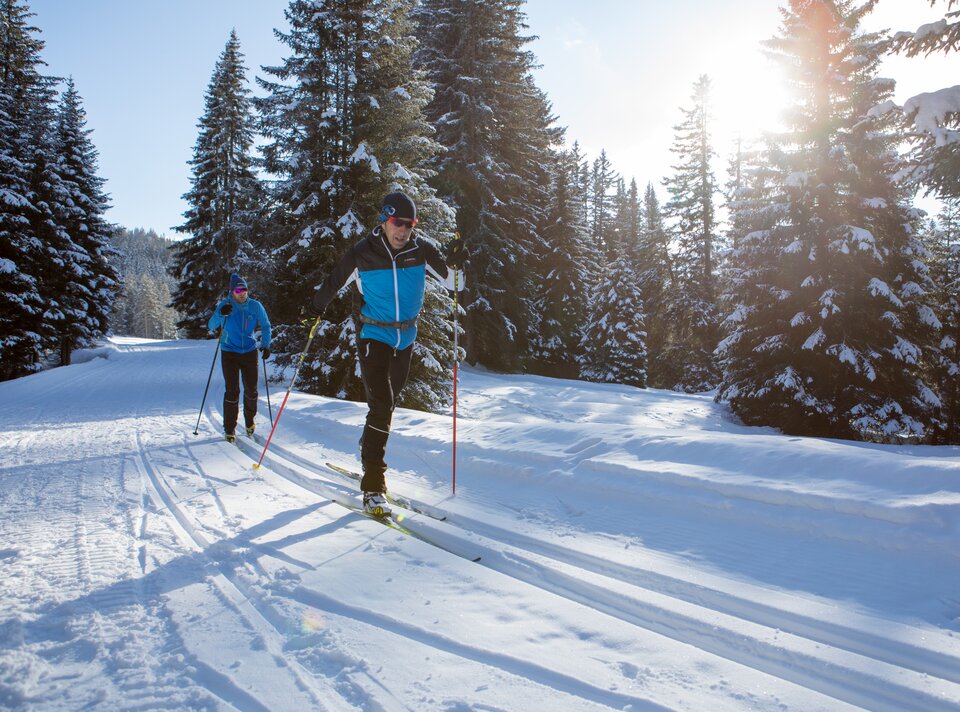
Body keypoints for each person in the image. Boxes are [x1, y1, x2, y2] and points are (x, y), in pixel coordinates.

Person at [311, 191, 466, 515]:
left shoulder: (421, 251)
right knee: (381, 405)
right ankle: (373, 487)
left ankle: (368, 444)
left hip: (405, 337)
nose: (403, 230)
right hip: (374, 334)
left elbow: (455, 285)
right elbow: (334, 282)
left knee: (388, 404)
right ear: (384, 219)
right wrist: (312, 309)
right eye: (398, 222)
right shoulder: (362, 253)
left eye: (410, 224)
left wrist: (457, 263)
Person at [208, 273, 272, 442]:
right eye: (238, 290)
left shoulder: (255, 306)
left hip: (249, 351)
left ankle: (249, 420)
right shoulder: (226, 305)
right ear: (232, 292)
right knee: (232, 391)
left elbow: (266, 325)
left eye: (244, 289)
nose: (242, 293)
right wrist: (220, 313)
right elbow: (211, 325)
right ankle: (229, 429)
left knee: (251, 390)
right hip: (229, 352)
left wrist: (265, 344)